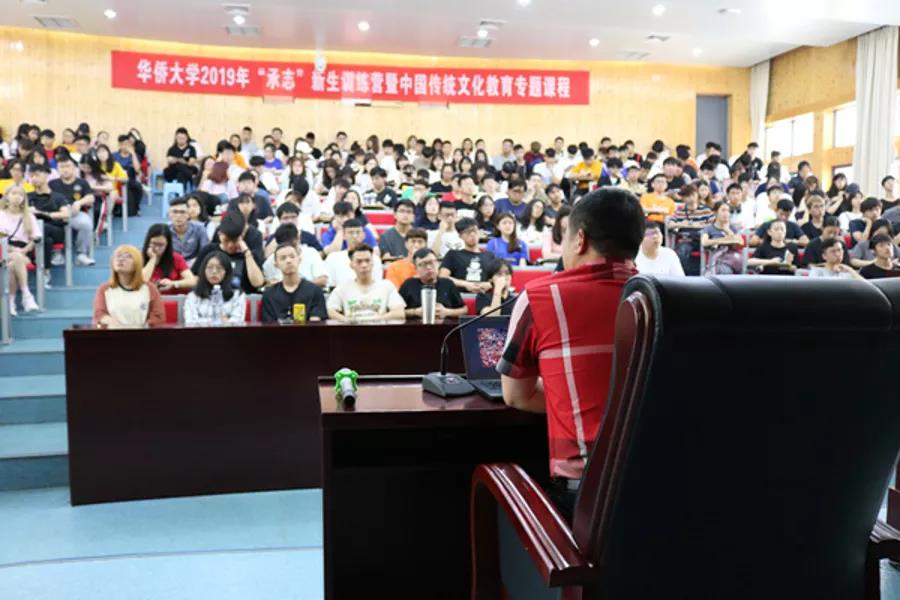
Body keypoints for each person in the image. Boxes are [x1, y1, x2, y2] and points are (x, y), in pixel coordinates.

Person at [498, 187, 643, 520]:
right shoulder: (663, 299)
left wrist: (571, 396)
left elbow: (516, 395)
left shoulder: (539, 298)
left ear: (579, 240)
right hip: (662, 488)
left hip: (586, 502)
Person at [92, 245, 164, 329]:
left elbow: (158, 317)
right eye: (118, 256)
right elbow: (99, 315)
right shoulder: (104, 289)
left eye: (128, 256)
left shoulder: (150, 289)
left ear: (137, 264)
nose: (120, 259)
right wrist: (119, 327)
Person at [326, 244, 405, 321]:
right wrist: (347, 321)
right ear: (351, 265)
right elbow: (330, 311)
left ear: (373, 263)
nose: (364, 265)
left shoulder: (387, 286)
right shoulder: (342, 288)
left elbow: (399, 313)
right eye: (359, 261)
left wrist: (375, 320)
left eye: (367, 261)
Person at [191, 212, 264, 294]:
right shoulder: (208, 250)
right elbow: (194, 276)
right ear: (220, 235)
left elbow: (258, 283)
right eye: (226, 240)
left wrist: (247, 253)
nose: (230, 245)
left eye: (234, 240)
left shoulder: (249, 255)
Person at [47, 155, 96, 265]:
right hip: (57, 215)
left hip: (74, 214)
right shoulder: (52, 184)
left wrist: (79, 202)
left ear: (74, 168)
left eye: (67, 166)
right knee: (47, 223)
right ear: (57, 169)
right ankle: (56, 253)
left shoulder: (82, 182)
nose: (65, 169)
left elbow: (91, 197)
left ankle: (81, 254)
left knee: (86, 223)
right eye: (61, 167)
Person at [261, 244, 328, 323]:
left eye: (292, 256)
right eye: (283, 258)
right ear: (276, 265)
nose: (288, 261)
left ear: (299, 260)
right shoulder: (269, 294)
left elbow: (316, 323)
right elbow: (269, 325)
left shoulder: (315, 291)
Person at [0, 185, 41, 313]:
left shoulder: (29, 216)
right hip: (5, 250)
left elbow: (36, 238)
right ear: (7, 196)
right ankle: (26, 295)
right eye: (14, 193)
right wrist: (11, 249)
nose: (17, 197)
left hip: (24, 252)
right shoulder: (1, 214)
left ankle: (12, 302)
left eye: (20, 194)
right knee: (12, 264)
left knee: (14, 262)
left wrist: (24, 250)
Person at [398, 248, 467, 319]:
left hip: (445, 324)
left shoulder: (448, 283)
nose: (428, 267)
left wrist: (447, 312)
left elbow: (464, 310)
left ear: (438, 264)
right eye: (423, 264)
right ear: (416, 269)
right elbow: (396, 312)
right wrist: (415, 312)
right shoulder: (409, 285)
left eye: (431, 262)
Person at [183, 251, 247, 326]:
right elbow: (190, 323)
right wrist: (221, 320)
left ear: (227, 271)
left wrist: (202, 320)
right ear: (203, 270)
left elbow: (237, 323)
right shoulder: (193, 295)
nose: (214, 272)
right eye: (210, 267)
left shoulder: (237, 295)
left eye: (219, 268)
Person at [439, 217, 499, 293]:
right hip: (460, 296)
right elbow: (443, 277)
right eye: (467, 232)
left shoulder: (490, 256)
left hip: (484, 296)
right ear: (460, 236)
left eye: (474, 230)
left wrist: (490, 284)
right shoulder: (453, 255)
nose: (472, 234)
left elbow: (499, 277)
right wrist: (465, 284)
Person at [262, 224, 328, 288]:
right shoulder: (270, 262)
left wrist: (295, 286)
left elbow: (323, 280)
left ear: (298, 238)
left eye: (292, 245)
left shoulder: (311, 253)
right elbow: (267, 284)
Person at [324, 218, 384, 287]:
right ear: (344, 236)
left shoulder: (374, 258)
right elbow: (329, 284)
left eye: (358, 232)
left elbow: (377, 283)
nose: (355, 236)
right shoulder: (333, 258)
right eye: (351, 233)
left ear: (364, 235)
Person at [668, 184, 713, 275]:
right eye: (688, 196)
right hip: (686, 240)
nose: (691, 198)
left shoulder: (706, 210)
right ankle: (683, 276)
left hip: (702, 239)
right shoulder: (680, 212)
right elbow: (670, 224)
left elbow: (713, 225)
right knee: (682, 251)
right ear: (683, 198)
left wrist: (699, 226)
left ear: (697, 194)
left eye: (693, 194)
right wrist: (684, 224)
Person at [140, 224, 196, 294]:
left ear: (167, 244)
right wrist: (152, 259)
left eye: (161, 245)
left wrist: (173, 284)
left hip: (172, 298)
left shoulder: (176, 258)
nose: (157, 248)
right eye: (154, 243)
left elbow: (192, 281)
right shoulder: (139, 257)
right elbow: (142, 281)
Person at [700, 201, 745, 275]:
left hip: (733, 261)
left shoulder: (732, 228)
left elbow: (740, 242)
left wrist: (727, 230)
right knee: (723, 270)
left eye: (728, 211)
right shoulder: (709, 229)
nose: (726, 213)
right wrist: (723, 240)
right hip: (716, 261)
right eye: (723, 210)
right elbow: (704, 242)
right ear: (715, 212)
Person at [167, 197, 209, 264]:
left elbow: (205, 252)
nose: (178, 216)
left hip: (194, 264)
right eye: (175, 212)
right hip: (171, 264)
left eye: (182, 212)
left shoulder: (200, 229)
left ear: (188, 214)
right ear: (169, 214)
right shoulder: (164, 230)